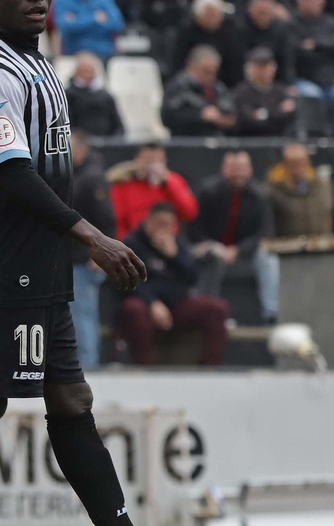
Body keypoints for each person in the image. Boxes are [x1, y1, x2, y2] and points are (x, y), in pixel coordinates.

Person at [0, 0, 219, 526]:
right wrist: (93, 237)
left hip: (38, 259)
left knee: (70, 400)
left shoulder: (38, 64)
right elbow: (10, 171)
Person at [118, 203, 229, 365]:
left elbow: (192, 277)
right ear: (147, 221)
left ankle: (209, 369)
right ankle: (144, 367)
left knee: (217, 308)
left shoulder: (177, 244)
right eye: (159, 223)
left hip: (176, 304)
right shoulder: (132, 244)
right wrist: (152, 302)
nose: (163, 229)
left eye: (168, 224)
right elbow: (129, 281)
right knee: (133, 308)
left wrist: (174, 256)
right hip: (146, 305)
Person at [192, 151, 279, 324]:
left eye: (242, 168)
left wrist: (239, 249)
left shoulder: (260, 195)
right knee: (207, 257)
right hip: (211, 247)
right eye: (233, 168)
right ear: (224, 169)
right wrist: (215, 247)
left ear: (250, 170)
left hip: (245, 251)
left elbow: (264, 232)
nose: (238, 173)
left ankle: (271, 314)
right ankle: (204, 312)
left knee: (269, 259)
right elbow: (195, 228)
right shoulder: (208, 191)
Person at [67, 131, 115, 368]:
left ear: (82, 149)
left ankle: (88, 366)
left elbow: (106, 219)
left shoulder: (91, 178)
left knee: (82, 314)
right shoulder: (76, 175)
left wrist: (101, 253)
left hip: (83, 259)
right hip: (71, 257)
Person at [108, 142, 200, 239]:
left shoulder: (173, 181)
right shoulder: (123, 185)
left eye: (158, 161)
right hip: (135, 241)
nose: (153, 165)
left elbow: (190, 213)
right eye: (148, 160)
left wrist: (169, 183)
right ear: (137, 160)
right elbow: (118, 221)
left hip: (169, 239)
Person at [162, 45, 239, 138]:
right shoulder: (177, 87)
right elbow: (168, 117)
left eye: (214, 72)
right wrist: (199, 115)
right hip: (186, 140)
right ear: (192, 66)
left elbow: (231, 114)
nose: (210, 76)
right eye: (206, 71)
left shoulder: (218, 88)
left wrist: (223, 119)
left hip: (215, 140)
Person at [268, 142, 334, 237]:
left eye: (302, 162)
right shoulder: (275, 190)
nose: (299, 168)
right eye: (293, 164)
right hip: (288, 244)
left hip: (322, 243)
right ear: (285, 164)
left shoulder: (323, 186)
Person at [231, 48, 298, 138]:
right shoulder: (241, 93)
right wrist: (277, 111)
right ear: (250, 69)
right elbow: (248, 120)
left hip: (278, 140)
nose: (265, 71)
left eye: (268, 66)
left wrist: (264, 114)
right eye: (260, 67)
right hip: (250, 141)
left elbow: (291, 116)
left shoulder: (280, 91)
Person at [64, 54, 123, 137]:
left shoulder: (106, 96)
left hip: (106, 141)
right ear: (76, 72)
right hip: (79, 141)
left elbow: (118, 126)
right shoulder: (68, 95)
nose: (87, 74)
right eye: (84, 70)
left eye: (90, 70)